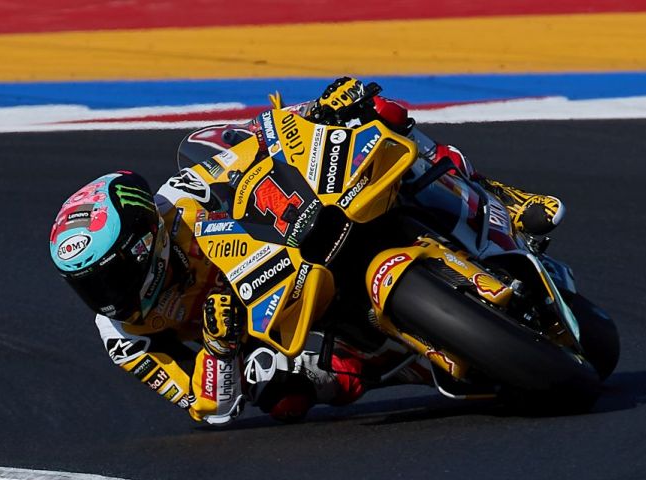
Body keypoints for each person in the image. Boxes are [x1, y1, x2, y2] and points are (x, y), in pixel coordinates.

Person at [47, 77, 565, 425]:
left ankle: (504, 199)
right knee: (280, 393)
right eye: (87, 286)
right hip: (270, 330)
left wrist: (319, 111)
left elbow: (257, 140)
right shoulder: (124, 338)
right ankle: (415, 358)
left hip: (292, 249)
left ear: (146, 242)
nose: (106, 297)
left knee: (378, 118)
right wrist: (220, 350)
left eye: (111, 275)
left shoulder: (181, 198)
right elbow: (208, 408)